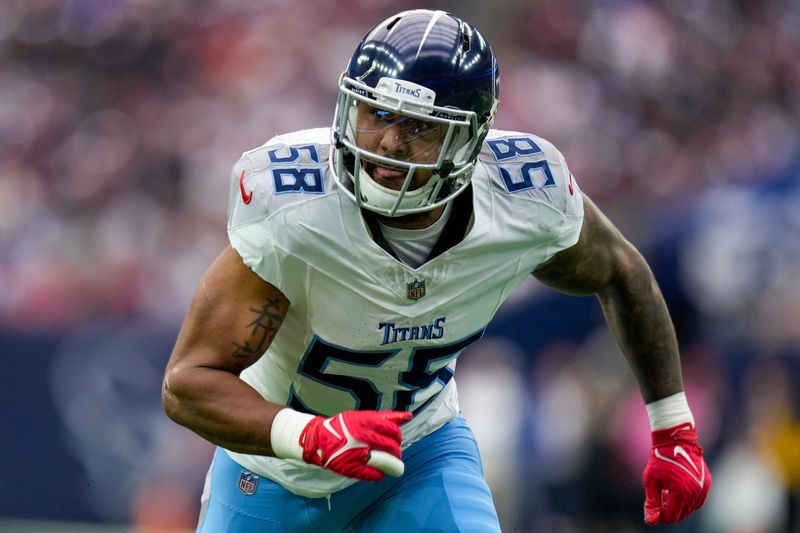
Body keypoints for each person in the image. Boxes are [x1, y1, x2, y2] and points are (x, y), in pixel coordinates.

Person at [162, 9, 711, 532]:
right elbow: (188, 383)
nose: (389, 142)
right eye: (376, 112)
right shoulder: (295, 210)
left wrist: (672, 426)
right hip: (273, 473)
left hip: (417, 452)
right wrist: (309, 435)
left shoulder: (524, 198)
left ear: (471, 140)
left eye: (420, 127)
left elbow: (619, 269)